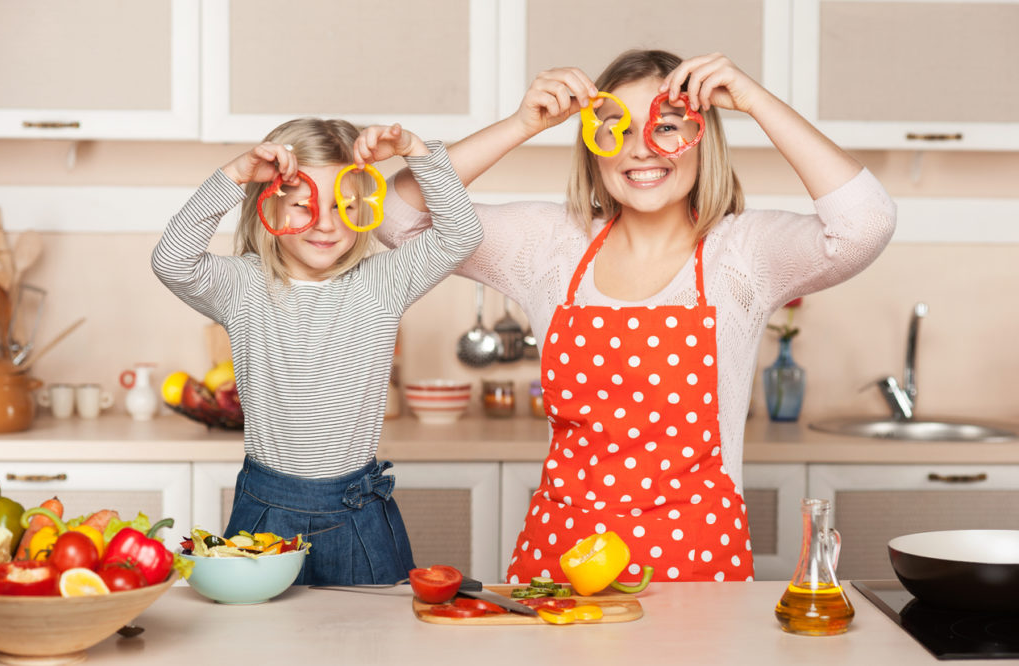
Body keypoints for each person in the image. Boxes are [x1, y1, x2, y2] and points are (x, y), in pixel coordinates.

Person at [375, 50, 896, 584]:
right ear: (591, 148)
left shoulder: (742, 253)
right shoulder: (548, 244)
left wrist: (755, 102)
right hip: (562, 562)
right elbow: (397, 219)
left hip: (697, 564)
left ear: (702, 139)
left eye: (666, 127)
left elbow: (866, 224)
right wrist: (520, 125)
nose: (641, 148)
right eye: (615, 130)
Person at [152, 118, 482, 585]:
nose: (326, 223)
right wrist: (234, 174)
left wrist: (416, 151)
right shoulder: (244, 286)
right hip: (265, 514)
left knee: (369, 645)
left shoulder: (381, 282)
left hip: (359, 514)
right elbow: (171, 259)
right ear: (266, 207)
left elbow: (460, 236)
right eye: (303, 205)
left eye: (343, 205)